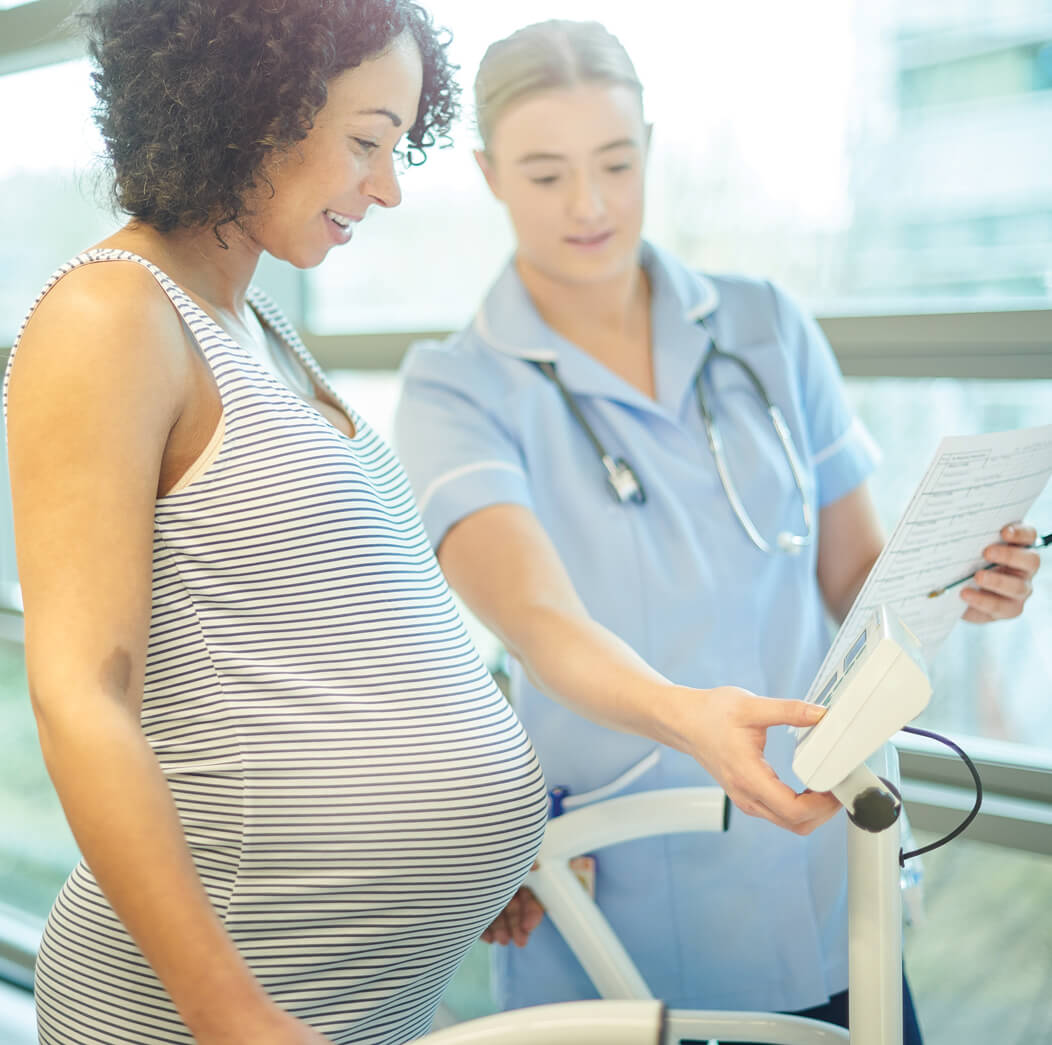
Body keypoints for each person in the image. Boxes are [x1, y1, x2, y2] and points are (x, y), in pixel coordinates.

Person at [392, 19, 1042, 1041]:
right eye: (546, 173)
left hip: (818, 872)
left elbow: (852, 576)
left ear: (649, 142)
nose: (590, 204)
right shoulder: (454, 387)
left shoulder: (766, 325)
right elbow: (537, 622)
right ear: (485, 173)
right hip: (612, 899)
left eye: (613, 161)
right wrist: (684, 715)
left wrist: (962, 577)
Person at [4, 2, 550, 1043]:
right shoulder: (109, 318)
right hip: (196, 1013)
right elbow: (81, 694)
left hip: (339, 985)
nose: (386, 187)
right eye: (363, 142)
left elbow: (324, 626)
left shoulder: (257, 329)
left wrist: (460, 844)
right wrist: (225, 1010)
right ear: (246, 104)